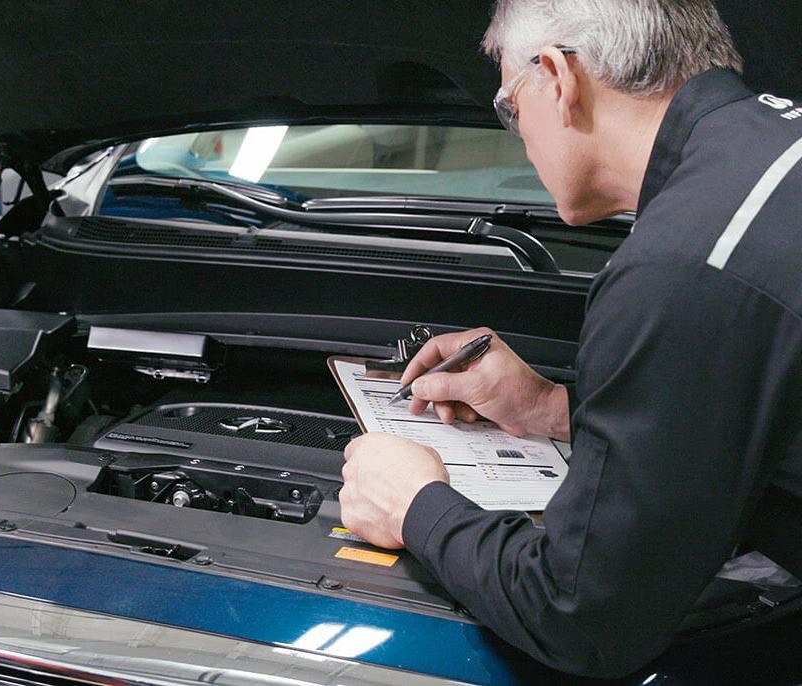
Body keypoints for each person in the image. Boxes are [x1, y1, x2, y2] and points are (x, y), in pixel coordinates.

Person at [338, 0, 802, 678]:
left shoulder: (686, 262)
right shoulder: (770, 158)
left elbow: (586, 621)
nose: (518, 135)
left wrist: (415, 507)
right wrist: (554, 409)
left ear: (557, 78)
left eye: (508, 105)